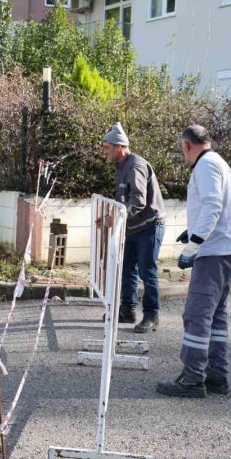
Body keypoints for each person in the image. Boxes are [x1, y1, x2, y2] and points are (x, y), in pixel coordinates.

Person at [157, 125, 231, 399]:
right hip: (228, 249)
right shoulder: (219, 162)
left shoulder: (205, 166)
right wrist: (193, 230)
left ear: (187, 145)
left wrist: (194, 243)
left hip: (214, 253)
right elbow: (218, 206)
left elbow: (212, 205)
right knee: (216, 317)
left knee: (197, 315)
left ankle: (193, 379)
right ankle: (217, 376)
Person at [101, 122, 166, 332]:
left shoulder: (135, 165)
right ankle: (127, 310)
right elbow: (123, 200)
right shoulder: (121, 166)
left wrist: (118, 219)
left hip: (149, 225)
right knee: (128, 269)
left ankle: (151, 316)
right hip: (133, 227)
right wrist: (108, 218)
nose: (105, 152)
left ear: (119, 146)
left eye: (107, 147)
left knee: (147, 272)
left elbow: (138, 201)